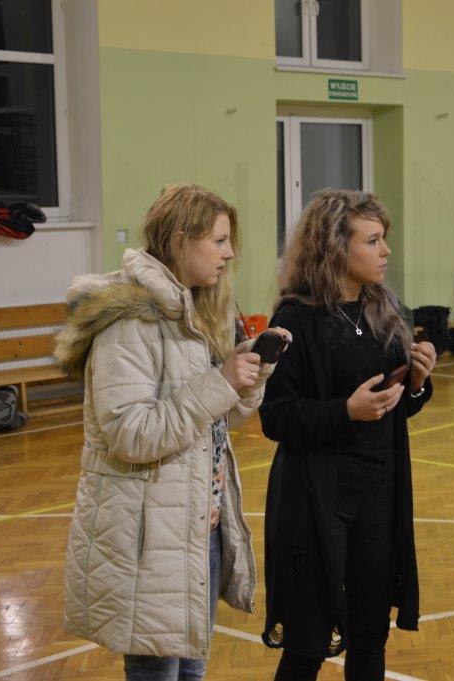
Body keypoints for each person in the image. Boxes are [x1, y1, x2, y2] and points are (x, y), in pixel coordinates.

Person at [57, 184, 289, 680]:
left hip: (197, 526)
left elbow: (218, 421)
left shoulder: (195, 312)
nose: (230, 253)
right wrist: (220, 382)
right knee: (156, 675)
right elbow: (131, 434)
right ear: (181, 239)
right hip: (149, 539)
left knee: (190, 674)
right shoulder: (130, 322)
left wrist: (251, 374)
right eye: (219, 241)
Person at [259, 190, 436, 680]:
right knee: (307, 643)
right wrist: (345, 412)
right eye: (372, 241)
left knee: (370, 634)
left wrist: (416, 383)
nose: (386, 251)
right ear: (336, 247)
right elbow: (276, 416)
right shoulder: (295, 317)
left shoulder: (384, 308)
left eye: (384, 240)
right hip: (318, 498)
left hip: (377, 491)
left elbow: (392, 408)